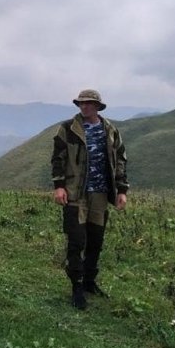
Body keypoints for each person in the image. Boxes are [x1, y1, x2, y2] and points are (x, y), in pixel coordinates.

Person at [50, 89, 129, 310]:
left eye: (89, 104)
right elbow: (57, 159)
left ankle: (89, 282)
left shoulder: (110, 130)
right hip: (75, 194)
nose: (84, 107)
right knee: (76, 241)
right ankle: (76, 287)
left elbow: (120, 160)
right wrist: (59, 186)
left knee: (96, 240)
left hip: (101, 194)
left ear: (97, 106)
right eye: (81, 104)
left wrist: (122, 190)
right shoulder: (68, 129)